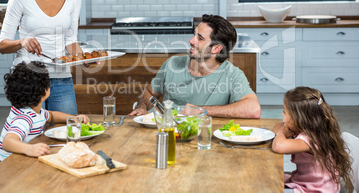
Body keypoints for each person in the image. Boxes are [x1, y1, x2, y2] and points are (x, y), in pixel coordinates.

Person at [0, 0, 83, 114]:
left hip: (61, 77)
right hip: (29, 78)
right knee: (31, 135)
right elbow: (2, 45)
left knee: (69, 131)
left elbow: (70, 41)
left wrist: (84, 58)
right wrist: (22, 42)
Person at [130, 14, 260, 118]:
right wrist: (142, 106)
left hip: (206, 136)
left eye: (200, 38)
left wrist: (200, 110)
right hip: (169, 132)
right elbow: (150, 93)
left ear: (216, 48)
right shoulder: (172, 64)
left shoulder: (232, 74)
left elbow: (253, 109)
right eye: (194, 34)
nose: (191, 41)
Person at [0, 61, 90, 162]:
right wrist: (29, 149)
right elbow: (7, 141)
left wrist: (73, 119)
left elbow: (51, 116)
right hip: (13, 166)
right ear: (45, 90)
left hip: (22, 160)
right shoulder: (25, 118)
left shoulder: (34, 111)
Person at [272, 86, 352, 192]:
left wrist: (281, 133)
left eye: (285, 112)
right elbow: (276, 127)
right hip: (312, 183)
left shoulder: (310, 138)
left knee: (268, 185)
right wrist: (281, 131)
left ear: (298, 118)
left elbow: (279, 146)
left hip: (316, 189)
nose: (282, 114)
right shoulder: (316, 129)